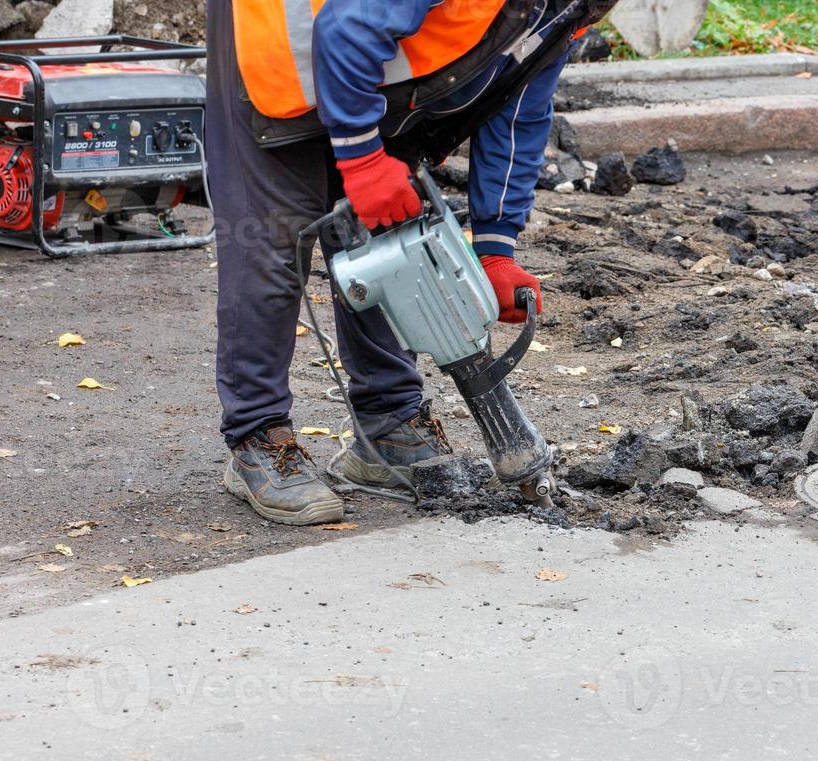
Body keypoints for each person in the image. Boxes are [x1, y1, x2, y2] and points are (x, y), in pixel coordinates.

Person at [205, 0, 611, 524]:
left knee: (394, 235)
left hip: (375, 65)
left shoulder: (572, 5)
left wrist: (495, 246)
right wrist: (363, 160)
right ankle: (257, 436)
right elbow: (344, 27)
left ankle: (389, 422)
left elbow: (520, 105)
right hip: (278, 48)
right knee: (271, 245)